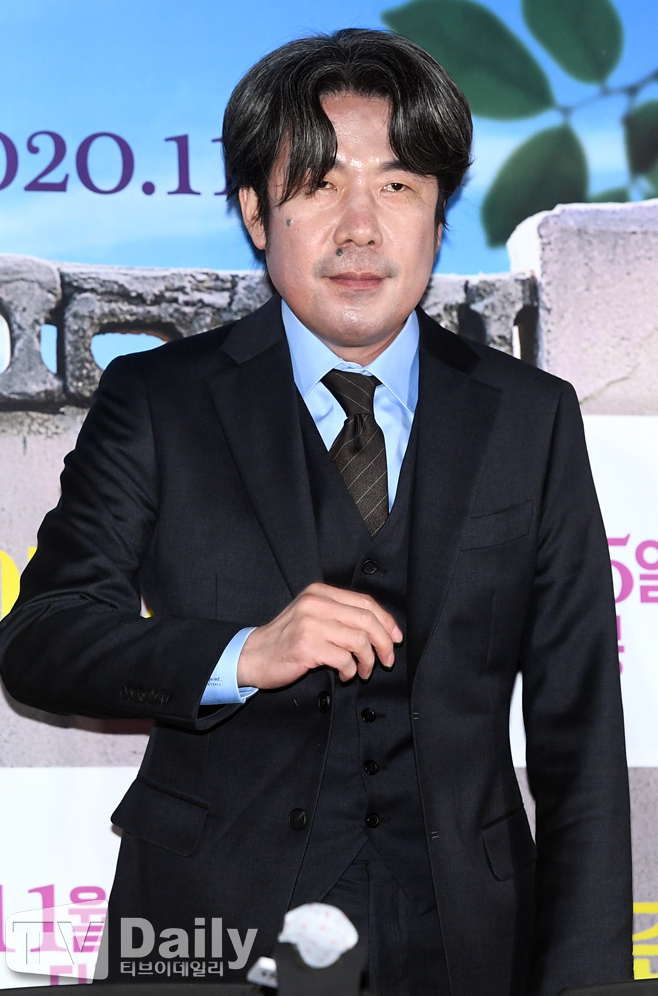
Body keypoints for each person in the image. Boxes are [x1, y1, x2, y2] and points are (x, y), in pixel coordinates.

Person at [0, 27, 632, 996]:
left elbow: (578, 728)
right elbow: (42, 638)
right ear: (257, 213)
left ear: (438, 213)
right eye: (319, 184)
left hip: (465, 939)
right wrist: (240, 654)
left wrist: (587, 981)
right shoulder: (159, 401)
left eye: (397, 185)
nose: (359, 228)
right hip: (203, 934)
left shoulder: (529, 416)